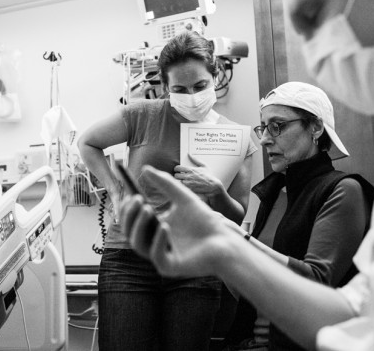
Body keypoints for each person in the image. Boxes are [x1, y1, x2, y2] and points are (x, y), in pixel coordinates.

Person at [120, 0, 374, 350]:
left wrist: (230, 240)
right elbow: (355, 311)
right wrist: (222, 247)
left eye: (314, 16)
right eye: (265, 127)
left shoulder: (351, 184)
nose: (313, 50)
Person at [78, 30, 257, 351]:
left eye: (200, 86)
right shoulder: (143, 115)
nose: (191, 95)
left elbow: (238, 212)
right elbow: (88, 143)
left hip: (195, 263)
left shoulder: (236, 138)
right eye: (179, 89)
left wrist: (216, 192)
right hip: (129, 259)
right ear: (164, 87)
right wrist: (115, 189)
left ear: (215, 76)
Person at [228, 82, 374, 351]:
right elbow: (256, 285)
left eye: (278, 126)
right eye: (263, 127)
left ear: (315, 128)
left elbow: (315, 281)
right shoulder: (271, 194)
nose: (264, 139)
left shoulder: (343, 190)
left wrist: (237, 241)